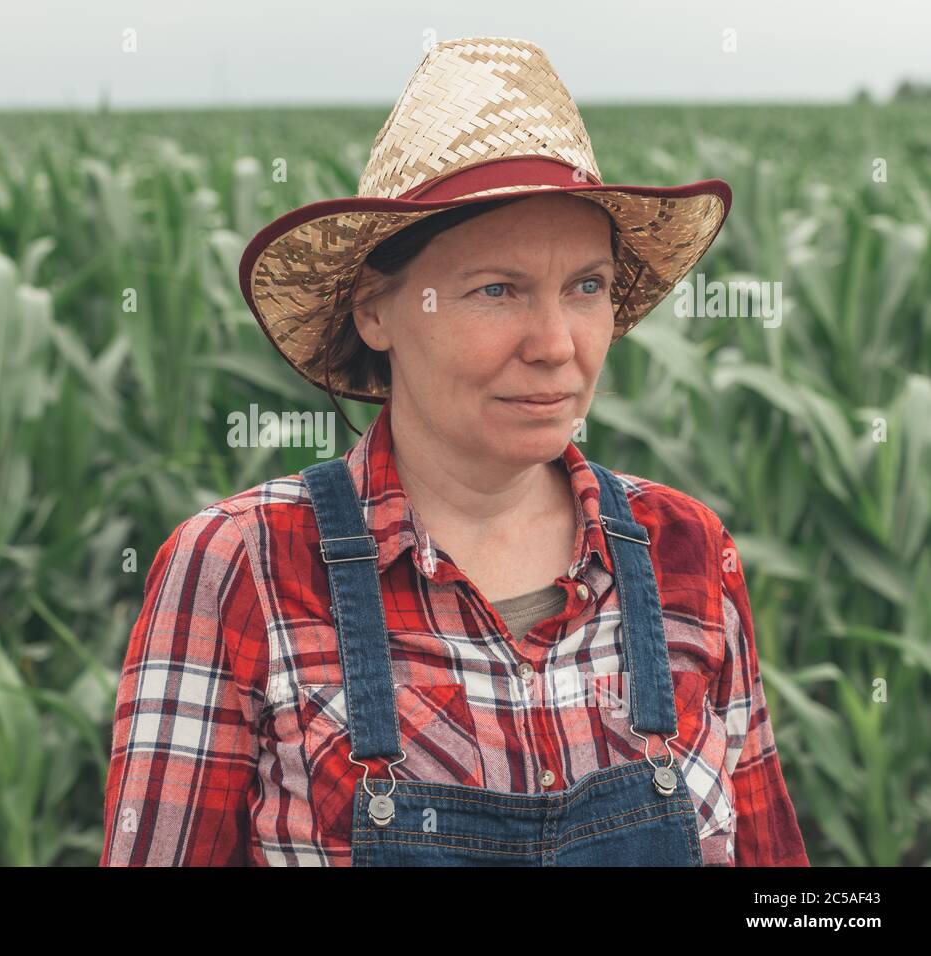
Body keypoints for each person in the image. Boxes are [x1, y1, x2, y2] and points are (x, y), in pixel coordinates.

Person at [100, 36, 809, 866]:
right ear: (375, 313)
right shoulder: (240, 568)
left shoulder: (684, 549)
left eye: (586, 287)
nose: (555, 344)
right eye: (496, 290)